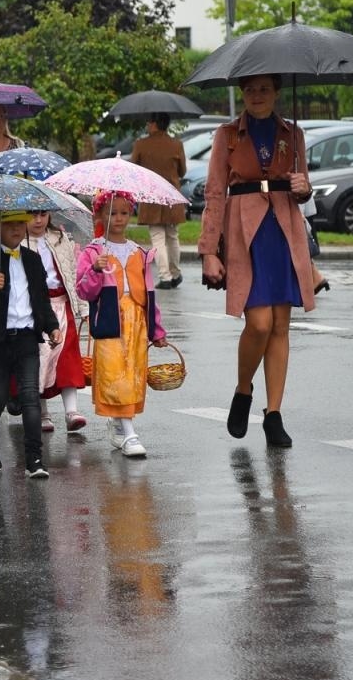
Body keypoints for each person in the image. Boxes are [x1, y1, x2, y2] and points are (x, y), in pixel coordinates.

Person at [198, 75, 314, 448]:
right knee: (259, 323)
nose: (257, 96)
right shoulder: (227, 135)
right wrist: (208, 251)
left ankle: (274, 414)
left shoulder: (292, 134)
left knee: (281, 324)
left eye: (265, 89)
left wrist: (303, 188)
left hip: (284, 229)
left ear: (278, 93)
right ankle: (244, 389)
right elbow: (215, 191)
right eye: (250, 90)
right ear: (242, 94)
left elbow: (304, 188)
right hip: (244, 231)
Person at [0, 210, 61, 478]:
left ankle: (35, 459)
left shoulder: (32, 259)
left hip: (28, 337)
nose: (17, 229)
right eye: (10, 224)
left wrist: (52, 326)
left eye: (21, 223)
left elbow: (41, 299)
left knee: (31, 397)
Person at [74, 191, 167, 457]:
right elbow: (84, 292)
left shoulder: (138, 252)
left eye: (124, 213)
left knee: (132, 375)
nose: (119, 218)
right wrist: (95, 270)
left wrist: (156, 329)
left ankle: (118, 424)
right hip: (109, 321)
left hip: (136, 322)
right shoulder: (94, 251)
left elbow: (150, 294)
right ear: (102, 215)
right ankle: (129, 433)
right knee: (115, 374)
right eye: (113, 213)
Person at [27, 210, 88, 432]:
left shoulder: (60, 239)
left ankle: (71, 410)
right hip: (36, 308)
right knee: (40, 359)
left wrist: (83, 307)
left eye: (43, 214)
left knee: (67, 358)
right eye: (31, 214)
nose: (38, 220)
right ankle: (42, 411)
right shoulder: (20, 243)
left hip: (63, 304)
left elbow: (73, 275)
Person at [129, 116, 187, 288]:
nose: (147, 125)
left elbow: (134, 169)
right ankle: (176, 273)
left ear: (154, 124)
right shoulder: (176, 144)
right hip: (171, 196)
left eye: (148, 122)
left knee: (158, 237)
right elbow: (182, 171)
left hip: (151, 195)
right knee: (173, 236)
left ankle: (165, 277)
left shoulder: (141, 144)